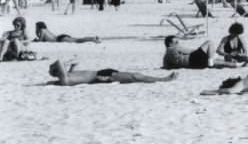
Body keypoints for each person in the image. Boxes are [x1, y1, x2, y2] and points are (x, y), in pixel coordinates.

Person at [48, 59, 178, 86]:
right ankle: (163, 80)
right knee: (134, 76)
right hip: (101, 77)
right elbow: (58, 62)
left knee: (134, 76)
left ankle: (162, 79)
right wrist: (58, 66)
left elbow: (71, 73)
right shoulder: (65, 80)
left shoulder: (66, 76)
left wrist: (71, 67)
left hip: (102, 72)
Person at [163, 36, 229, 70]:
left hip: (192, 65)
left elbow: (166, 66)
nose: (178, 43)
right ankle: (235, 64)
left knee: (214, 61)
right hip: (192, 59)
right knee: (209, 42)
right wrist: (202, 51)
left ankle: (211, 60)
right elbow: (190, 51)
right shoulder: (174, 48)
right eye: (176, 42)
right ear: (170, 43)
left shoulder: (166, 55)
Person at [34, 21, 100, 44]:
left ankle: (93, 39)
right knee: (78, 39)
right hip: (60, 37)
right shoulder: (45, 29)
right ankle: (93, 38)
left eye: (36, 26)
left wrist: (36, 32)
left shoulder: (42, 30)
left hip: (59, 39)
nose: (36, 27)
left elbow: (40, 40)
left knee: (78, 40)